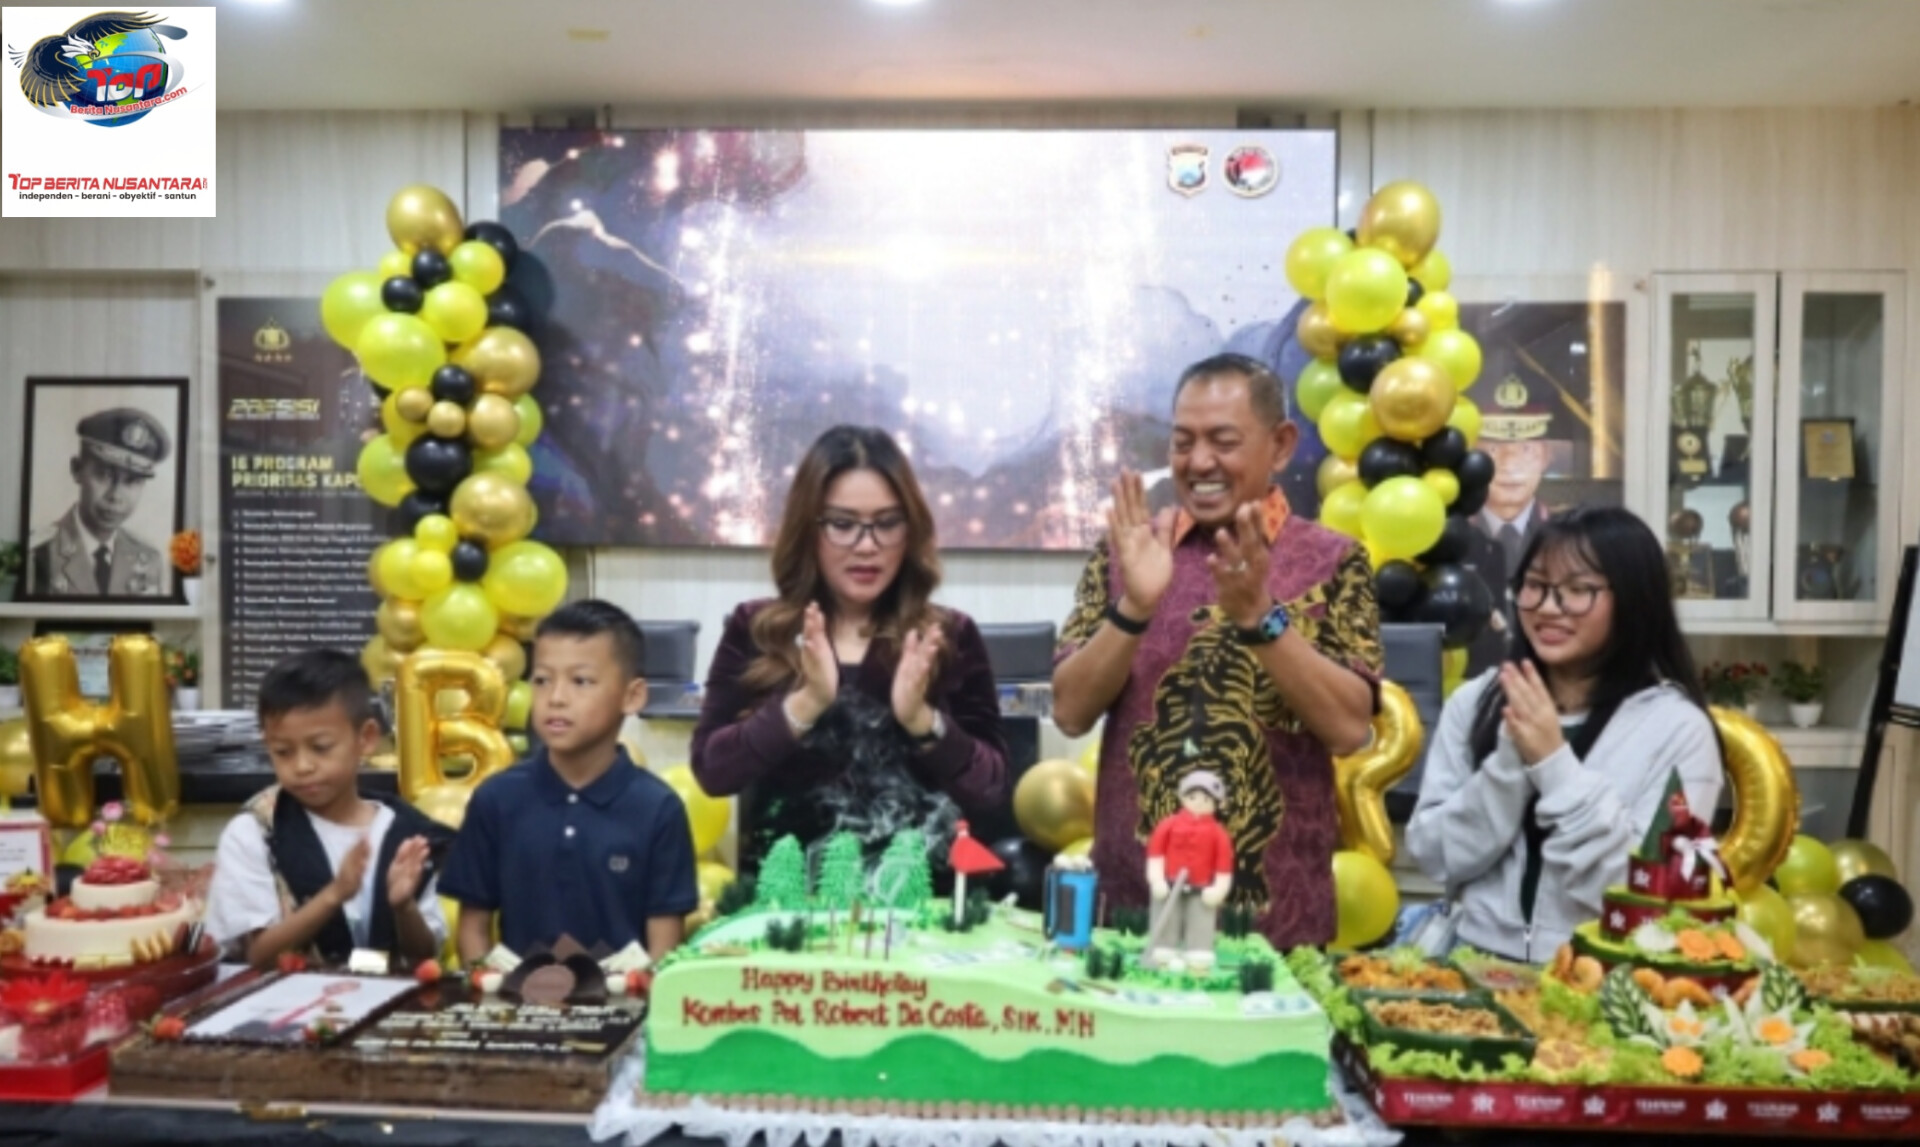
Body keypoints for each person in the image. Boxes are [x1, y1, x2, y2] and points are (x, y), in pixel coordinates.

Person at [1052, 353, 1381, 950]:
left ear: (1280, 446)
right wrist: (1134, 608)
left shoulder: (1334, 561)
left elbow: (1348, 728)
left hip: (1274, 924)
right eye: (1183, 442)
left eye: (1223, 442)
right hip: (1131, 916)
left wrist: (1261, 620)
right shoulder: (1128, 552)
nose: (1199, 462)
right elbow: (1071, 712)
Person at [1405, 505, 1723, 964]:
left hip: (1600, 975)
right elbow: (1436, 856)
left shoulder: (1678, 729)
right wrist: (1509, 764)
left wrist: (1553, 763)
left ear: (1634, 599)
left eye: (1578, 590)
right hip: (1473, 967)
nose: (1549, 608)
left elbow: (1645, 892)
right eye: (1536, 585)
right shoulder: (1476, 702)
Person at [691, 425, 1009, 877]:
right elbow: (713, 772)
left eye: (887, 523)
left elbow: (991, 789)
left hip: (919, 902)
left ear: (910, 529)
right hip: (784, 898)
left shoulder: (945, 635)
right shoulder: (758, 629)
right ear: (809, 529)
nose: (867, 546)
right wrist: (805, 703)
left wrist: (923, 723)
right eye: (843, 525)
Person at [440, 600, 697, 964]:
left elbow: (664, 948)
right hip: (514, 997)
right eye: (542, 680)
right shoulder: (496, 799)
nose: (556, 698)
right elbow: (473, 929)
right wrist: (491, 989)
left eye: (581, 681)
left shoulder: (658, 809)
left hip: (625, 999)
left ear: (632, 696)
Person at [204, 650, 449, 971]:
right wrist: (335, 894)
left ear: (366, 738)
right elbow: (259, 955)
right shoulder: (256, 831)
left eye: (320, 748)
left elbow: (424, 956)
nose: (302, 766)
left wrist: (404, 908)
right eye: (283, 752)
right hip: (289, 1002)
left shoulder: (406, 832)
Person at [1462, 375, 1555, 676]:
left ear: (1546, 457)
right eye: (1493, 450)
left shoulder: (1563, 537)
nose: (1509, 465)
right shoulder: (1453, 538)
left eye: (1526, 450)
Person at [26, 407, 170, 597]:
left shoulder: (149, 560)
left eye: (131, 481)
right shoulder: (37, 554)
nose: (115, 496)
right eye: (104, 475)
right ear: (77, 469)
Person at [1144, 769, 1234, 970]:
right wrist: (1156, 879)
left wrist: (1219, 889)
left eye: (1206, 799)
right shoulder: (1168, 825)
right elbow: (1156, 855)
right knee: (1166, 916)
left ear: (1216, 803)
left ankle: (1198, 949)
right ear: (1183, 797)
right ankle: (1163, 947)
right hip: (1168, 885)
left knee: (1201, 919)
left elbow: (1223, 868)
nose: (1199, 803)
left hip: (1201, 890)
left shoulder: (1219, 834)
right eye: (1193, 797)